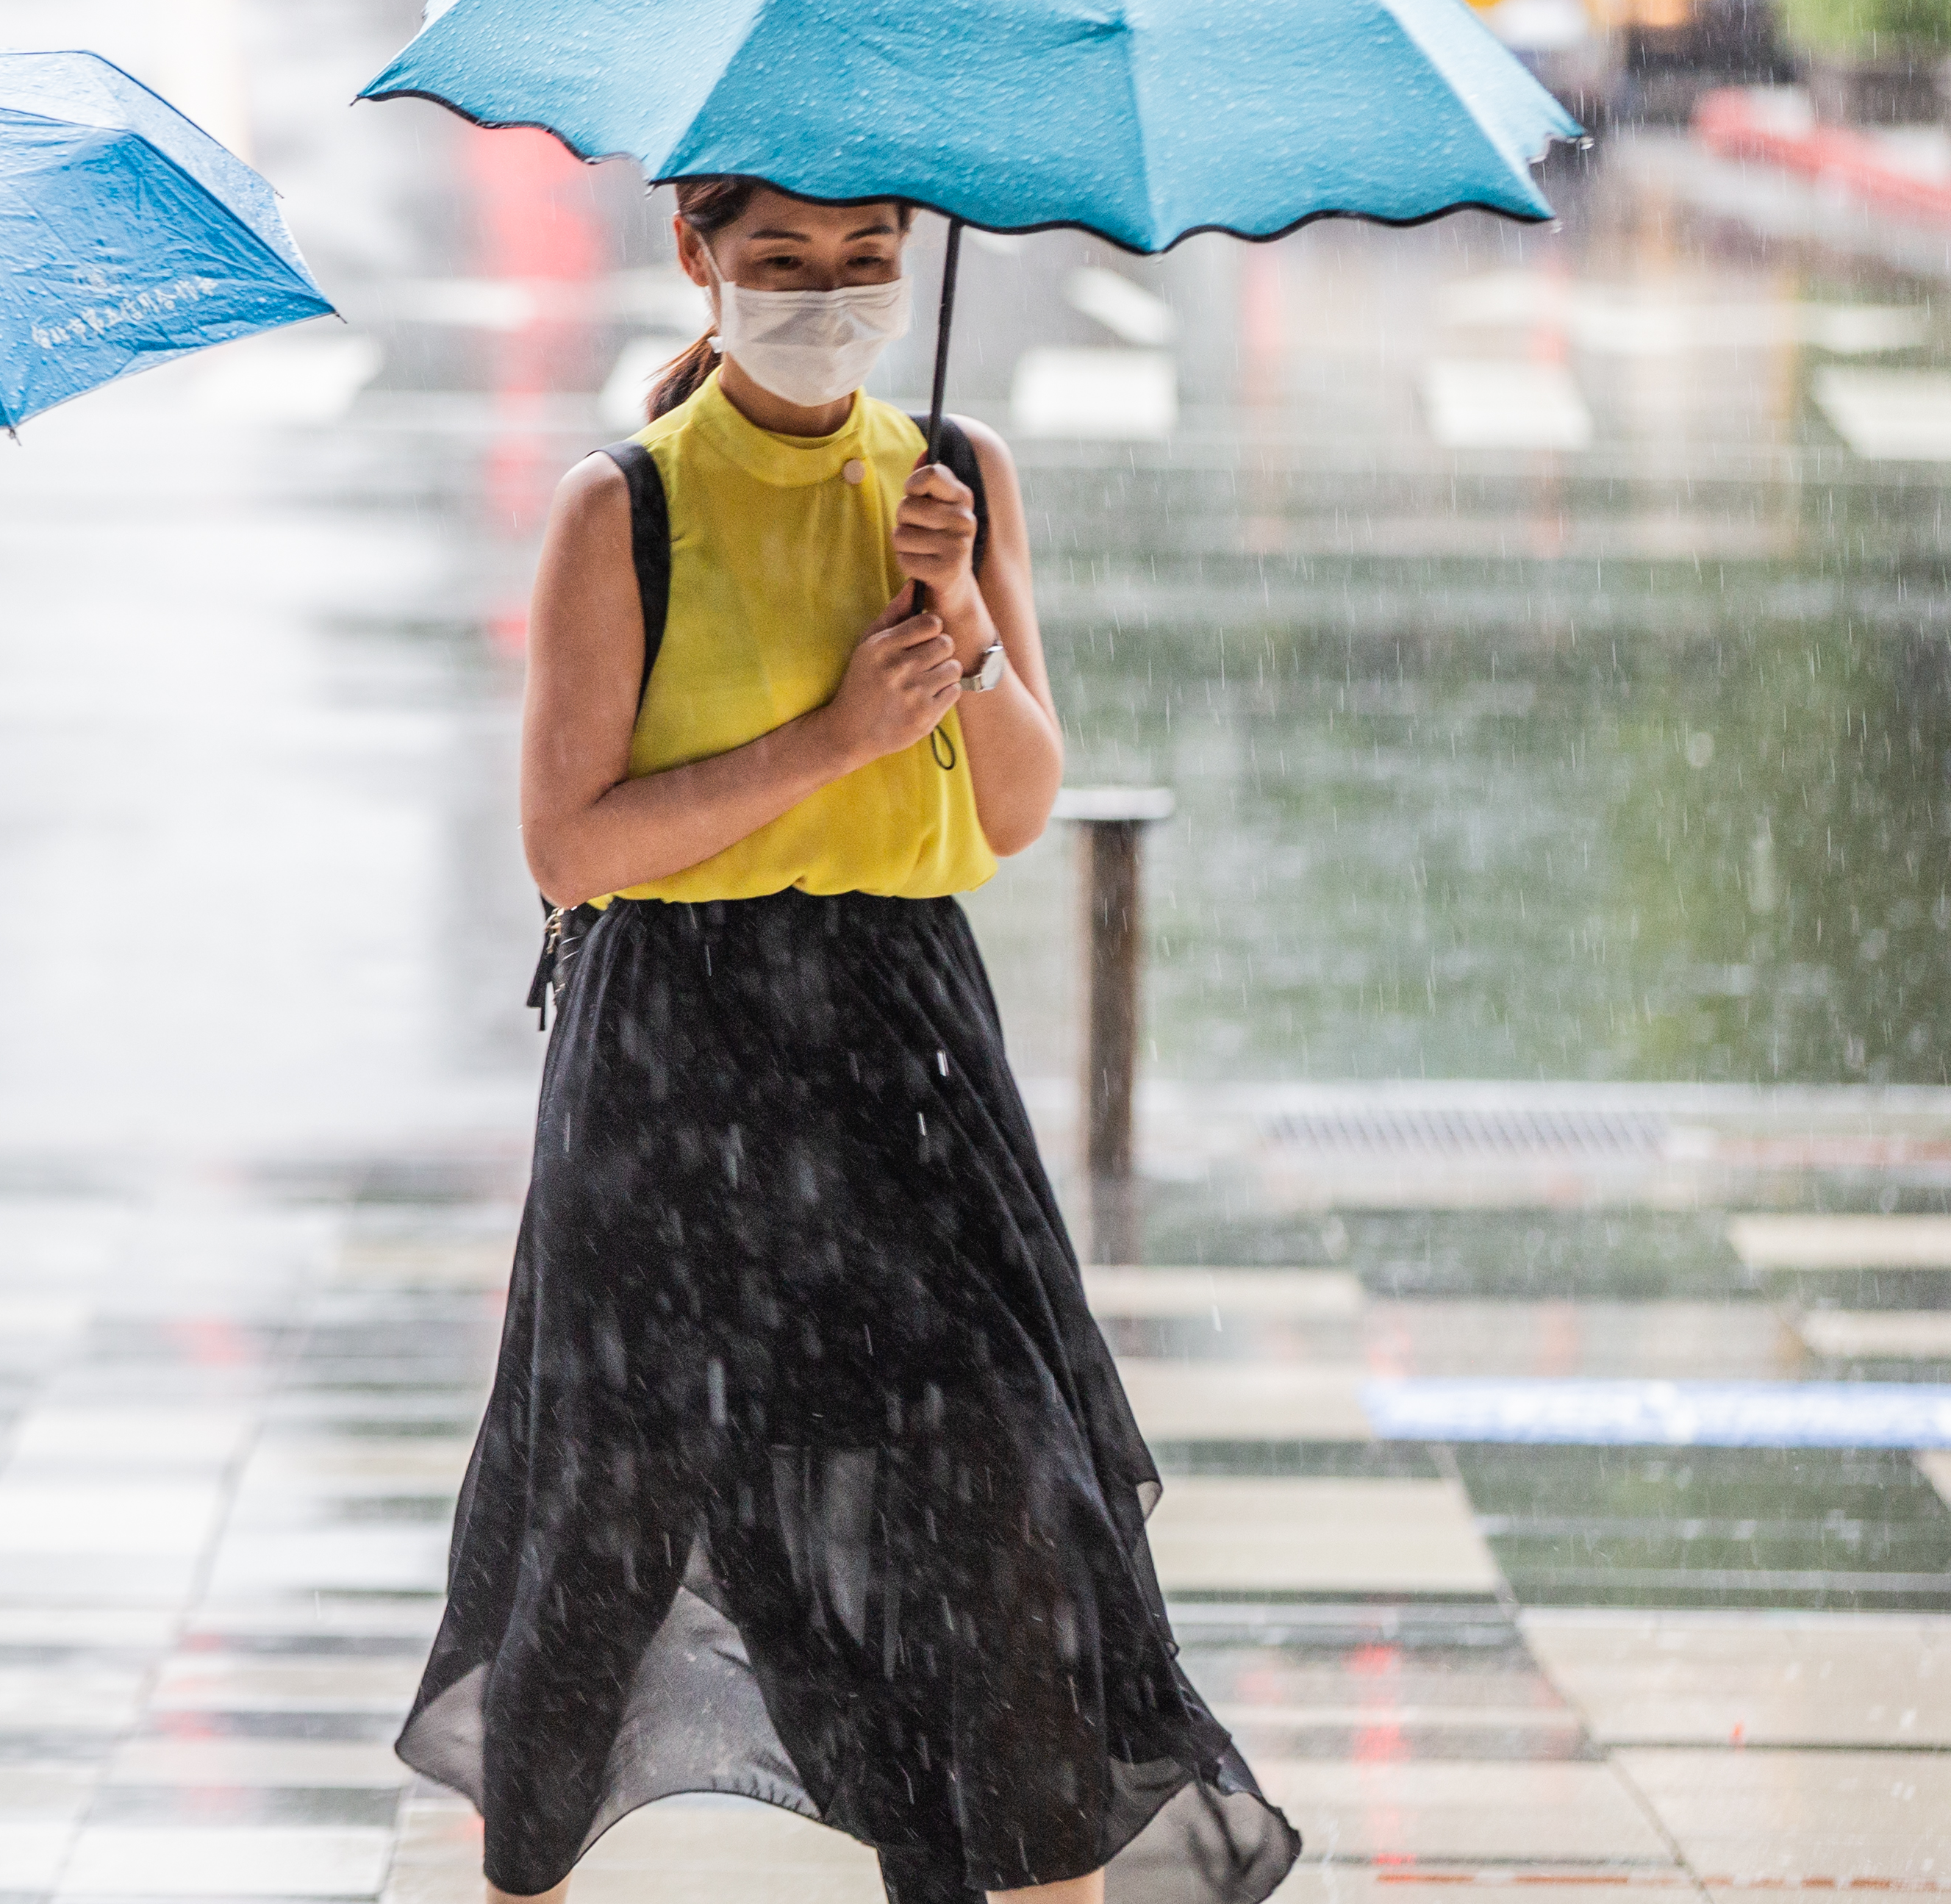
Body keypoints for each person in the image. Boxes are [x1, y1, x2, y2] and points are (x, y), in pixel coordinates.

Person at [401, 179, 1297, 1904]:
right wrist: (829, 738)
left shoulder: (953, 477)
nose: (827, 299)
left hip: (907, 1046)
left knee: (1011, 1522)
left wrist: (958, 624)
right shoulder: (626, 509)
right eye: (783, 265)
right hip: (672, 1055)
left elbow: (1022, 804)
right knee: (604, 1533)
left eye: (866, 265)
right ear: (700, 260)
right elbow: (570, 845)